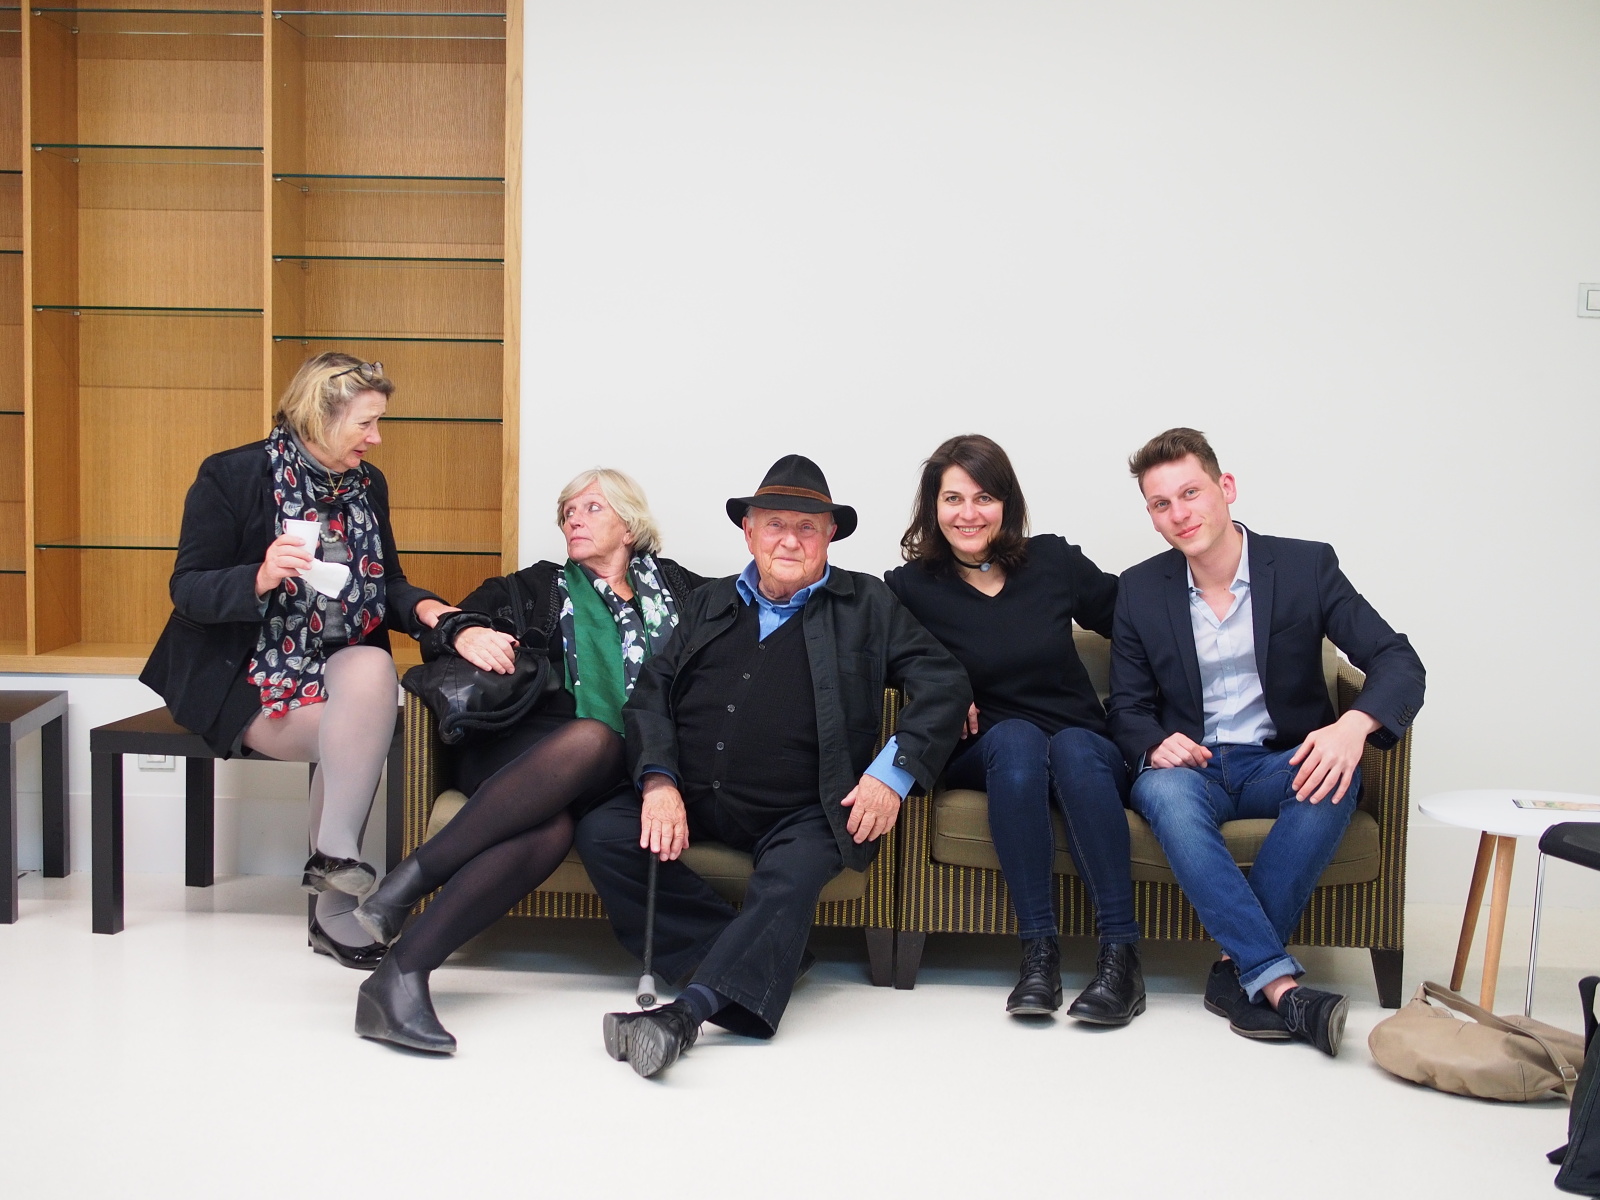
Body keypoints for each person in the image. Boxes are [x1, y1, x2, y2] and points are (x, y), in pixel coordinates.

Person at [574, 455, 970, 1077]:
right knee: (602, 830)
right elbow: (650, 694)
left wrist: (890, 776)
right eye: (775, 525)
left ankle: (683, 1016)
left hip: (804, 810)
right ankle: (764, 959)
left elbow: (944, 682)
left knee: (791, 876)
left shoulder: (867, 602)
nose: (790, 540)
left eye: (807, 528)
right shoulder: (707, 602)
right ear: (749, 532)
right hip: (693, 797)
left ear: (830, 536)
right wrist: (658, 781)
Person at [350, 468, 706, 1053]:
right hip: (516, 753)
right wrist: (461, 631)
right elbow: (442, 629)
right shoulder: (537, 587)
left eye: (592, 508)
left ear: (630, 525)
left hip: (608, 774)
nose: (574, 519)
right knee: (595, 737)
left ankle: (398, 974)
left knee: (552, 830)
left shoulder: (683, 593)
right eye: (568, 511)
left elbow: (749, 634)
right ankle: (409, 883)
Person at [1107, 428, 1424, 1056]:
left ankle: (1238, 973)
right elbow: (1126, 707)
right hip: (1190, 769)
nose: (1179, 514)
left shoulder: (1306, 567)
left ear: (1225, 488)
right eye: (1161, 504)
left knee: (1334, 777)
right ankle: (1277, 985)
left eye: (1190, 493)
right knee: (1164, 795)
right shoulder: (1140, 589)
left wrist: (1351, 727)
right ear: (1152, 516)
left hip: (1279, 760)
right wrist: (1154, 742)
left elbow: (1398, 660)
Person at [140, 353, 452, 967]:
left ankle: (334, 855)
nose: (376, 438)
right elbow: (188, 589)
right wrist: (259, 576)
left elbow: (386, 583)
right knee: (354, 729)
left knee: (372, 668)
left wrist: (428, 610)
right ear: (318, 415)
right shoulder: (232, 475)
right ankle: (333, 911)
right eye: (365, 424)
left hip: (336, 662)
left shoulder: (368, 484)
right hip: (250, 671)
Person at [885, 434, 1143, 1025]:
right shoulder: (911, 587)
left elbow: (1138, 621)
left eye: (984, 497)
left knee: (1073, 746)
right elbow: (875, 651)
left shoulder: (1052, 562)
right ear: (932, 506)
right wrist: (942, 684)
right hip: (990, 750)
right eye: (953, 498)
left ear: (1007, 503)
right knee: (1018, 738)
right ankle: (1038, 957)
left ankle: (1121, 960)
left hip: (1083, 745)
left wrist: (1151, 713)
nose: (969, 514)